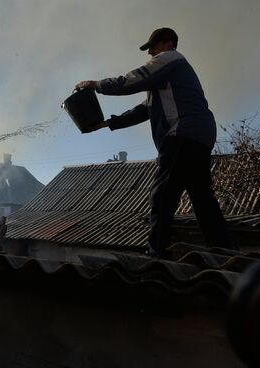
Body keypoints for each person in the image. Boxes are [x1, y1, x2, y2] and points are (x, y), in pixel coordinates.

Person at [75, 27, 230, 258]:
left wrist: (96, 84)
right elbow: (144, 110)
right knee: (201, 195)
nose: (150, 53)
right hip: (201, 136)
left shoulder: (170, 59)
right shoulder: (171, 79)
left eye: (153, 47)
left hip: (183, 133)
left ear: (168, 44)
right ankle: (222, 248)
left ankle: (157, 249)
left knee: (163, 193)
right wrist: (108, 123)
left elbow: (133, 80)